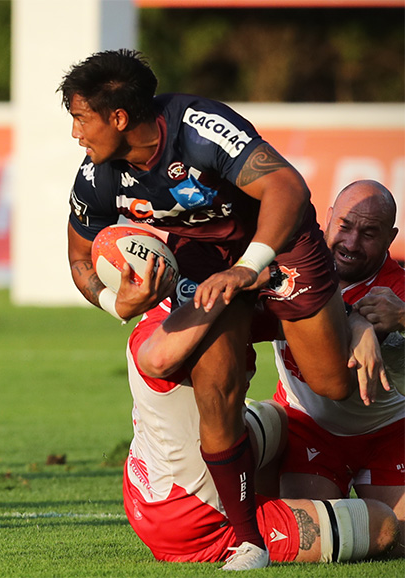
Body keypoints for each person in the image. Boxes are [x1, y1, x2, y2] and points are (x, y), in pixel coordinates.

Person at [58, 49, 353, 569]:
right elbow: (80, 257)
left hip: (278, 247)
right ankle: (249, 540)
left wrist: (251, 265)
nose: (77, 134)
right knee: (217, 391)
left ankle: (356, 316)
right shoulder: (98, 176)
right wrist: (112, 300)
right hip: (206, 263)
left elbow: (286, 185)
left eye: (82, 118)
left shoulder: (199, 129)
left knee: (331, 386)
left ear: (119, 118)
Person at [122, 268, 400, 568]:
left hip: (148, 487)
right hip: (193, 519)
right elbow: (156, 359)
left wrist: (356, 322)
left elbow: (303, 324)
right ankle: (254, 531)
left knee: (278, 419)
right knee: (383, 525)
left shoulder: (211, 305)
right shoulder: (179, 334)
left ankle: (269, 505)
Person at [272, 180, 404, 554]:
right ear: (328, 219)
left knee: (396, 539)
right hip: (308, 428)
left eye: (368, 234)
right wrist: (356, 323)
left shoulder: (398, 291)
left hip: (390, 434)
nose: (350, 243)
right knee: (310, 541)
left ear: (391, 237)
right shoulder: (292, 258)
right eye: (345, 226)